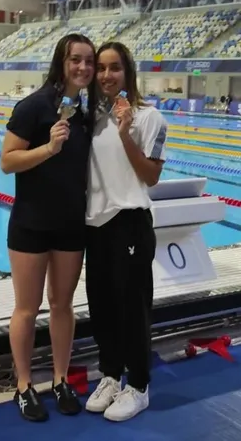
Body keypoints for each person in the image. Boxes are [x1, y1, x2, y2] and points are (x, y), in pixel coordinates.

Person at [0, 33, 99, 423]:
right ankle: (23, 386)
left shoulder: (87, 115)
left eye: (89, 61)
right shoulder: (34, 107)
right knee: (27, 308)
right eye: (76, 59)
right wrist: (48, 149)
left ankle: (60, 379)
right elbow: (7, 161)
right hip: (31, 225)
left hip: (71, 224)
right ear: (62, 61)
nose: (84, 68)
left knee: (62, 305)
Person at [83, 41, 167, 422]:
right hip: (97, 225)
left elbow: (149, 176)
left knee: (132, 309)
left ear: (128, 72)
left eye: (114, 68)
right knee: (102, 308)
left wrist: (125, 132)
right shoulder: (94, 117)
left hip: (130, 222)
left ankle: (140, 385)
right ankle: (112, 376)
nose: (106, 75)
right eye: (100, 68)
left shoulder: (150, 118)